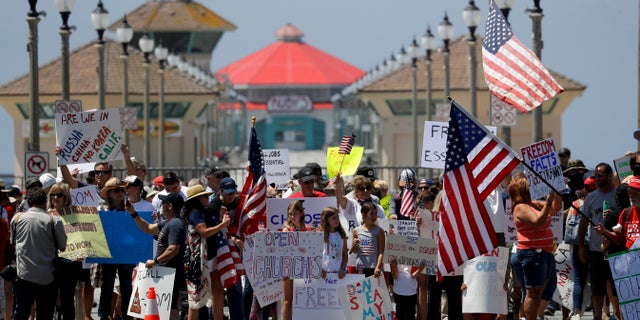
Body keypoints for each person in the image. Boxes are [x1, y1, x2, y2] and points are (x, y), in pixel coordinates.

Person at [508, 177, 562, 320]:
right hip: (532, 253)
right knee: (533, 292)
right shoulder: (520, 207)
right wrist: (549, 202)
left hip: (544, 252)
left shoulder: (533, 204)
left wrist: (557, 192)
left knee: (546, 288)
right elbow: (538, 222)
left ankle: (534, 316)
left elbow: (555, 209)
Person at [127, 192, 186, 320]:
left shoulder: (175, 224)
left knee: (170, 312)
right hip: (163, 274)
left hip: (169, 275)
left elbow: (173, 249)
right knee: (158, 311)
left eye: (163, 203)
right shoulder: (168, 223)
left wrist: (155, 261)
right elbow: (148, 228)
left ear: (169, 206)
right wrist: (133, 213)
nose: (161, 205)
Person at [11, 188, 67, 320]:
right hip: (47, 277)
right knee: (45, 314)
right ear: (45, 202)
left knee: (21, 313)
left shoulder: (17, 219)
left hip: (23, 275)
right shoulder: (54, 221)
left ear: (28, 202)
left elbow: (12, 241)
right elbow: (63, 246)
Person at [577, 163, 620, 320]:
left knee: (616, 288)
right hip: (596, 250)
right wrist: (581, 246)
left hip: (616, 248)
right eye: (595, 175)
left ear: (610, 176)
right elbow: (583, 224)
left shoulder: (619, 195)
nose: (597, 179)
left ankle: (617, 315)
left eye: (600, 175)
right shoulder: (591, 197)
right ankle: (597, 316)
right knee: (597, 288)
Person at [183, 184, 230, 320]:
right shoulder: (195, 213)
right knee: (196, 299)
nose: (207, 198)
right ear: (197, 199)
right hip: (198, 261)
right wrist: (222, 225)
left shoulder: (203, 211)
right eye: (204, 196)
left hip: (210, 257)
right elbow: (204, 232)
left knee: (218, 291)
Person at [96, 177, 136, 320]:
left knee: (126, 287)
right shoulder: (102, 210)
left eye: (122, 190)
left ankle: (127, 316)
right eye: (116, 190)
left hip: (126, 253)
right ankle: (104, 315)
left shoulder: (130, 208)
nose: (120, 193)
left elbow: (138, 227)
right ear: (109, 194)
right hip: (108, 253)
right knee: (107, 286)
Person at [48, 182, 87, 320]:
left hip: (70, 263)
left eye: (59, 195)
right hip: (49, 262)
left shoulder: (75, 214)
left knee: (67, 298)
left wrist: (81, 251)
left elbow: (82, 236)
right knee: (49, 298)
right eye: (52, 194)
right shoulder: (45, 215)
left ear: (66, 198)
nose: (55, 198)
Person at [564, 176, 596, 320]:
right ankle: (599, 312)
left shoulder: (575, 204)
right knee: (595, 280)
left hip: (577, 246)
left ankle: (576, 312)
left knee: (578, 280)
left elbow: (568, 228)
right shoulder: (595, 202)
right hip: (593, 245)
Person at [281, 200, 312, 320]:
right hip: (289, 267)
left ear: (302, 213)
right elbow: (282, 251)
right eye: (290, 214)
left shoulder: (308, 229)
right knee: (288, 301)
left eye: (295, 213)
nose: (292, 216)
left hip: (304, 269)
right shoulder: (286, 230)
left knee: (303, 300)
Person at [350, 202, 385, 278]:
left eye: (376, 213)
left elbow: (381, 252)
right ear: (363, 215)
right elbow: (355, 251)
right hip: (360, 267)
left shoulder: (379, 231)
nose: (374, 216)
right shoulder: (356, 230)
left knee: (374, 290)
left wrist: (378, 267)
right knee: (361, 289)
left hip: (374, 268)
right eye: (371, 214)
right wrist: (354, 245)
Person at [319, 207, 348, 279]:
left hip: (338, 274)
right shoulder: (319, 234)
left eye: (337, 217)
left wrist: (343, 268)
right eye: (333, 218)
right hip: (323, 274)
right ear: (326, 220)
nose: (337, 220)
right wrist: (319, 269)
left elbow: (345, 254)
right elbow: (314, 255)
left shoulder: (341, 234)